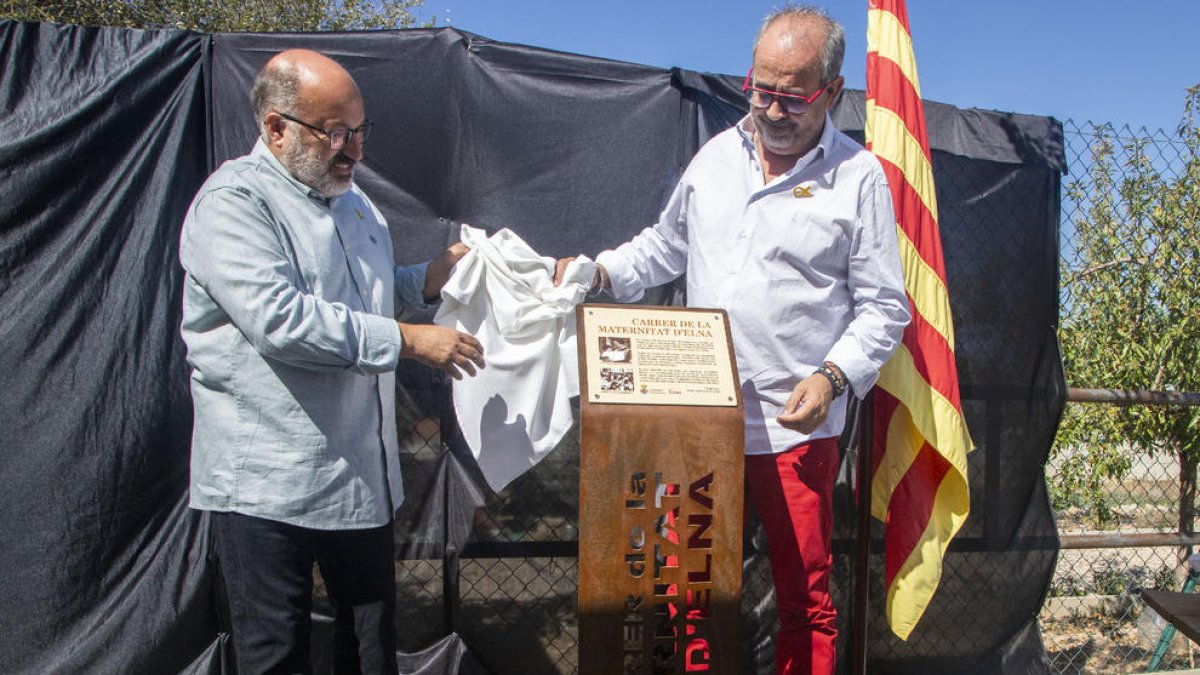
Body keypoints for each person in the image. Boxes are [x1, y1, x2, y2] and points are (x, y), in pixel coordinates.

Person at [555, 7, 910, 674]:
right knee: (688, 588)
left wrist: (832, 377)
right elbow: (665, 246)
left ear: (831, 92)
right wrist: (600, 271)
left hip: (793, 430)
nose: (771, 110)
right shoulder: (716, 157)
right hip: (697, 425)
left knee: (805, 596)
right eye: (761, 89)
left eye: (791, 96)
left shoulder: (859, 178)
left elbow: (885, 308)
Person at [179, 49, 485, 674]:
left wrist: (427, 278)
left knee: (371, 648)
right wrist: (404, 340)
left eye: (360, 132)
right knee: (275, 655)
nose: (355, 152)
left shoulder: (357, 204)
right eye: (336, 134)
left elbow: (361, 291)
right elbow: (282, 321)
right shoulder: (234, 204)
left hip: (357, 480)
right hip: (266, 488)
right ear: (276, 127)